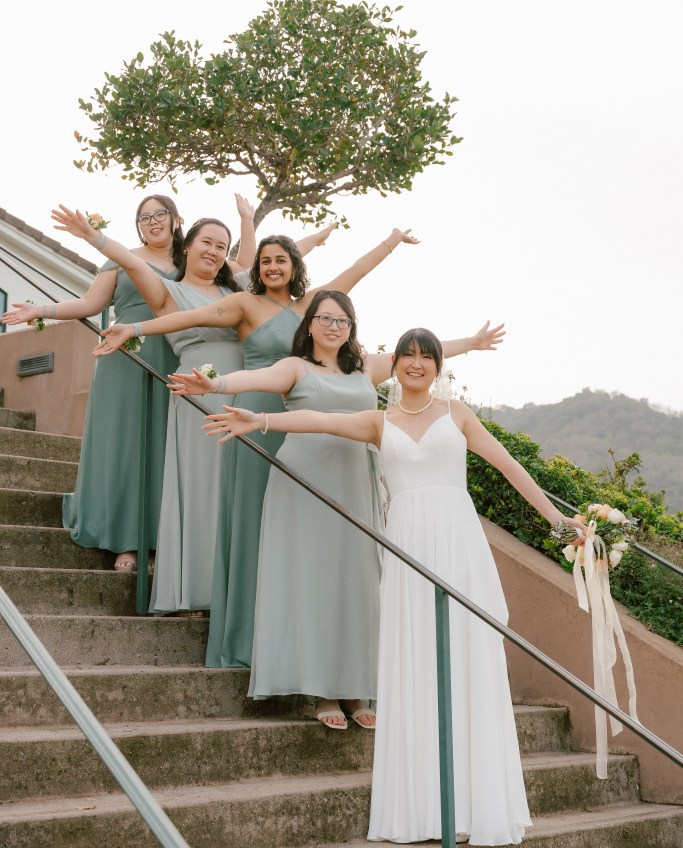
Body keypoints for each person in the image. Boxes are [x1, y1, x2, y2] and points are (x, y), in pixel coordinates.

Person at [203, 328, 587, 845]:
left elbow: (509, 467)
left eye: (426, 356)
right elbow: (320, 419)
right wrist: (261, 420)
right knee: (415, 662)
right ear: (396, 364)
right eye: (408, 355)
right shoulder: (377, 422)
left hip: (459, 545)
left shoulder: (458, 415)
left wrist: (559, 522)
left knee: (468, 659)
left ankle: (476, 805)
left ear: (438, 366)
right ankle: (422, 810)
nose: (416, 363)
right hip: (408, 548)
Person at [168, 300, 505, 731]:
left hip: (356, 483)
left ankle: (357, 686)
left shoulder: (366, 366)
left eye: (342, 319)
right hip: (305, 481)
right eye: (324, 318)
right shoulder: (294, 366)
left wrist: (472, 343)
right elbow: (254, 378)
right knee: (313, 583)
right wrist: (216, 384)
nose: (333, 325)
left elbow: (417, 357)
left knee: (359, 584)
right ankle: (322, 689)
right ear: (309, 325)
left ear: (351, 326)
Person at [92, 227, 419, 665]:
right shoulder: (244, 303)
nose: (272, 267)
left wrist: (390, 241)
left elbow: (354, 274)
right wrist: (133, 327)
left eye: (281, 260)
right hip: (255, 415)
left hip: (302, 423)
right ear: (257, 269)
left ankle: (300, 638)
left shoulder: (311, 306)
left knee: (299, 529)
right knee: (252, 522)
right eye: (265, 261)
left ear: (295, 266)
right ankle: (247, 633)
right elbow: (189, 318)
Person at [50, 203, 337, 614]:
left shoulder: (236, 291)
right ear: (187, 246)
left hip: (247, 393)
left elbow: (276, 260)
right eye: (207, 242)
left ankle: (245, 588)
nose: (214, 251)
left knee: (240, 494)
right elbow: (131, 262)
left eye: (222, 246)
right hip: (201, 393)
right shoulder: (168, 290)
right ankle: (200, 591)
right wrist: (92, 236)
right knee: (204, 492)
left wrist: (298, 234)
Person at [2, 194, 187, 572]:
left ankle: (158, 541)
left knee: (164, 448)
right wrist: (41, 310)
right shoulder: (120, 257)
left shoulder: (190, 263)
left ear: (176, 218)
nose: (153, 222)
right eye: (144, 217)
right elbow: (90, 304)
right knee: (125, 446)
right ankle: (126, 542)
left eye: (160, 214)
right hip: (124, 358)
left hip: (173, 359)